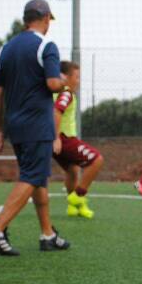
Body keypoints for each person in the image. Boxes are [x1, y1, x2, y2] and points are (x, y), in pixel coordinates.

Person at [0, 0, 71, 256]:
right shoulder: (46, 46)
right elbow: (53, 83)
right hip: (37, 125)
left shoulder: (5, 49)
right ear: (44, 19)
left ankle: (47, 235)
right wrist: (66, 82)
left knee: (38, 178)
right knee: (32, 176)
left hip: (15, 125)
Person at [53, 60, 103, 219]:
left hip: (56, 138)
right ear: (65, 77)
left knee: (73, 170)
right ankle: (78, 196)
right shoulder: (66, 92)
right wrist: (56, 138)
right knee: (96, 160)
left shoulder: (53, 91)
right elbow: (57, 112)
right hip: (64, 138)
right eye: (77, 77)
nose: (79, 81)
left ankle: (74, 208)